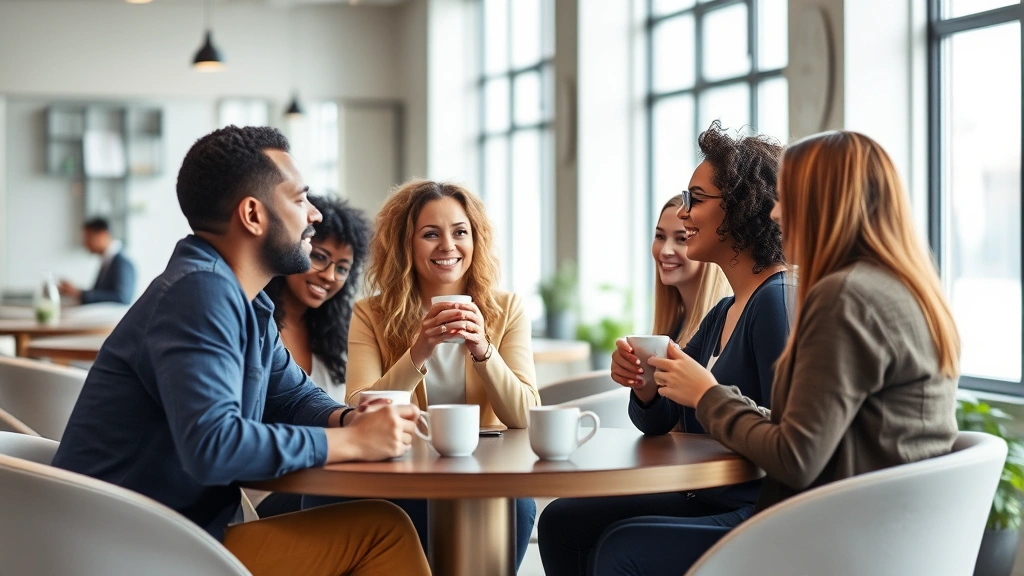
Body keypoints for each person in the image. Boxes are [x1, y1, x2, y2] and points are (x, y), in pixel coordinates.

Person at [51, 126, 430, 576]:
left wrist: (351, 418)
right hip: (124, 549)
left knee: (382, 522)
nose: (313, 214)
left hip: (165, 531)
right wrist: (353, 441)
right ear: (252, 215)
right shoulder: (199, 293)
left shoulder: (246, 301)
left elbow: (293, 397)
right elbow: (213, 444)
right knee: (383, 531)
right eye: (300, 199)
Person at [588, 131, 961, 574]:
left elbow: (795, 458)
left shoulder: (843, 297)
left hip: (839, 536)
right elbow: (800, 434)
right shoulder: (892, 290)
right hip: (880, 531)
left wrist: (707, 395)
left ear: (827, 204)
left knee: (621, 549)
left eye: (788, 199)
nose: (776, 213)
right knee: (577, 525)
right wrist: (654, 385)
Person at [539, 121, 791, 576]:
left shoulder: (775, 302)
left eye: (697, 199)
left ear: (739, 207)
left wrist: (705, 393)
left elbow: (788, 438)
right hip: (709, 497)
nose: (686, 214)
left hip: (761, 512)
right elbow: (657, 422)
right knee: (563, 521)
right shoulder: (724, 311)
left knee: (623, 548)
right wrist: (645, 385)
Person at [344, 178, 539, 567]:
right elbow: (357, 408)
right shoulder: (371, 314)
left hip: (484, 473)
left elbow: (525, 415)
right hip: (403, 474)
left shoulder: (507, 309)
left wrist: (483, 349)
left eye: (460, 232)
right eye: (430, 234)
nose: (448, 246)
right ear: (406, 245)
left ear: (475, 240)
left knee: (518, 508)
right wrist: (420, 350)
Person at [254, 193, 371, 519]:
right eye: (319, 257)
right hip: (267, 489)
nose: (329, 276)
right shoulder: (257, 324)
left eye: (343, 268)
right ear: (296, 247)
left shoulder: (340, 339)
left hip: (330, 476)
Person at [58, 217, 137, 304]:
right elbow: (99, 292)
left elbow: (122, 297)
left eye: (88, 237)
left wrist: (80, 293)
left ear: (103, 235)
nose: (85, 243)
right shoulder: (106, 261)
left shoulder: (122, 262)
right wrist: (76, 292)